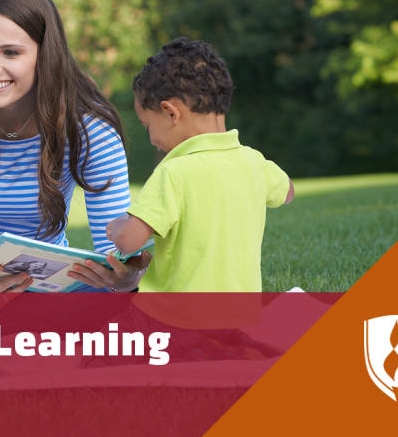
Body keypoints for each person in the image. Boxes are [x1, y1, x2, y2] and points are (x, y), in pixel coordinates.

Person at [0, 0, 148, 292]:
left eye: (10, 53)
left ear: (45, 54)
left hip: (50, 287)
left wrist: (125, 277)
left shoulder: (88, 126)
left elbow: (114, 250)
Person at [90, 37, 295, 292]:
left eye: (147, 126)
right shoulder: (254, 162)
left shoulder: (173, 172)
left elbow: (129, 241)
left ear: (170, 113)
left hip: (174, 321)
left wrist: (118, 226)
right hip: (239, 318)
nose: (151, 139)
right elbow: (287, 191)